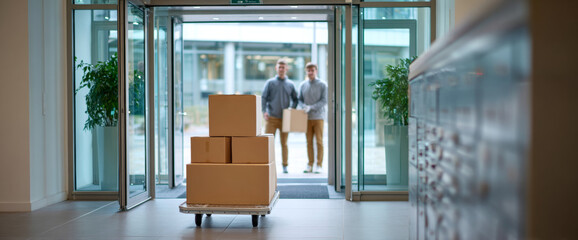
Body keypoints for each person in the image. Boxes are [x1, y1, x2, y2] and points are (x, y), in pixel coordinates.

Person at [262, 59, 299, 174]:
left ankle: (285, 165)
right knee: (268, 143)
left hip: (285, 120)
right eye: (279, 67)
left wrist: (291, 110)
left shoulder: (290, 84)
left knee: (284, 143)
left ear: (286, 69)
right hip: (271, 118)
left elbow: (296, 99)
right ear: (276, 69)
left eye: (283, 67)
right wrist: (264, 111)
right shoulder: (270, 83)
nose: (281, 69)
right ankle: (267, 164)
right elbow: (263, 98)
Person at [298, 62, 327, 174]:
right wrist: (304, 107)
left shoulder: (322, 85)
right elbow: (299, 99)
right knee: (309, 142)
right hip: (306, 118)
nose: (310, 72)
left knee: (319, 141)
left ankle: (319, 164)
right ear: (306, 72)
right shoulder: (303, 85)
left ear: (316, 71)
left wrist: (312, 107)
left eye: (312, 70)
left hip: (318, 117)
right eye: (308, 71)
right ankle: (310, 164)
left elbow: (324, 100)